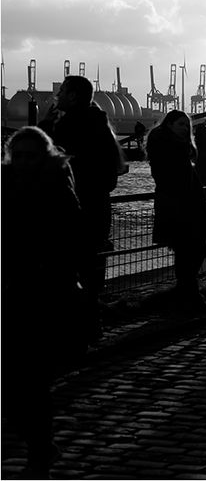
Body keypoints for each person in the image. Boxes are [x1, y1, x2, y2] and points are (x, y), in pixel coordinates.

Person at [2, 127, 85, 477]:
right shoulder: (6, 186)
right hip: (10, 292)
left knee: (31, 382)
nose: (21, 162)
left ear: (44, 157)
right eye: (16, 155)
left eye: (29, 156)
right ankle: (40, 443)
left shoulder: (57, 192)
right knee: (15, 384)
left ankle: (39, 448)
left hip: (41, 295)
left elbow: (70, 242)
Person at [38, 74, 125, 343]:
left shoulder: (66, 126)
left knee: (65, 268)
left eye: (62, 91)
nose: (58, 96)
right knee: (92, 269)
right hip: (98, 207)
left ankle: (70, 329)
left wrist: (46, 124)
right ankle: (90, 324)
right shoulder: (102, 127)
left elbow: (44, 160)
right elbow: (115, 171)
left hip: (69, 210)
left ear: (73, 95)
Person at [146, 110, 206, 308]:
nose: (185, 129)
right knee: (192, 251)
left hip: (180, 207)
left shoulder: (173, 147)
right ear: (169, 125)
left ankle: (187, 297)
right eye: (180, 124)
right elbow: (175, 180)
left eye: (187, 126)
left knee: (189, 252)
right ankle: (190, 299)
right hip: (179, 208)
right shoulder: (170, 148)